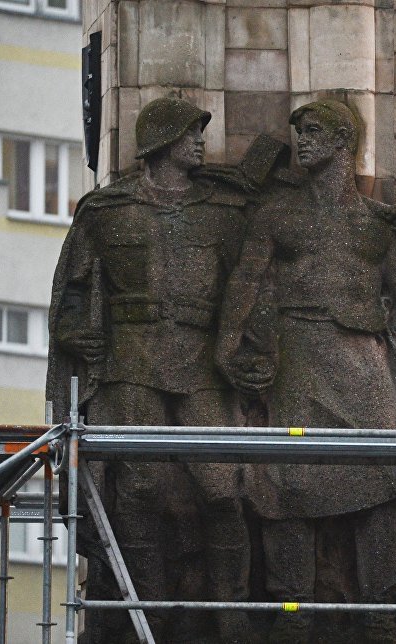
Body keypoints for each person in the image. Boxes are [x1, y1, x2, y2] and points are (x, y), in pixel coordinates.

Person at [217, 99, 396, 643]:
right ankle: (292, 607)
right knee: (286, 479)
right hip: (298, 356)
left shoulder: (376, 223)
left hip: (364, 362)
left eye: (313, 131)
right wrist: (229, 349)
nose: (300, 140)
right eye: (296, 132)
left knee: (381, 476)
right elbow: (243, 289)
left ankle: (376, 609)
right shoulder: (278, 213)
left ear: (343, 142)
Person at [47, 97, 264, 642]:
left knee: (220, 487)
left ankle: (231, 610)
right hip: (130, 365)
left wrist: (250, 355)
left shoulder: (222, 212)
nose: (200, 143)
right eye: (192, 133)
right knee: (137, 487)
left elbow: (252, 291)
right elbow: (70, 294)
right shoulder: (105, 212)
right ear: (163, 141)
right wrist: (77, 332)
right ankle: (145, 605)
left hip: (203, 367)